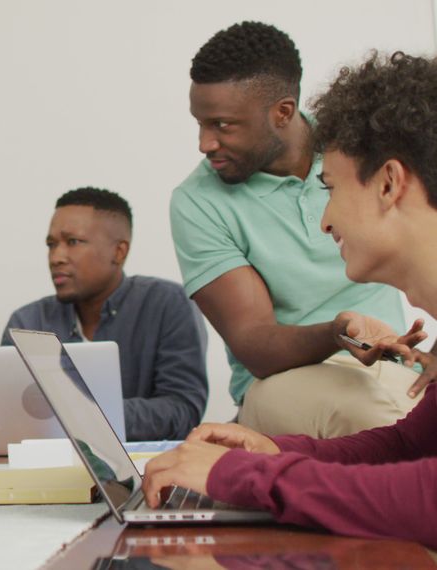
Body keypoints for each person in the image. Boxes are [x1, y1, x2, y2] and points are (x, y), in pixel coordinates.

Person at [144, 51, 437, 547]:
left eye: (332, 188)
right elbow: (410, 445)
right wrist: (270, 452)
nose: (325, 221)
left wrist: (244, 476)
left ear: (389, 184)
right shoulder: (197, 199)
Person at [169, 21, 427, 438]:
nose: (205, 143)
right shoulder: (197, 203)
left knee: (406, 408)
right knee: (378, 417)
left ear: (283, 112)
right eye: (200, 123)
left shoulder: (358, 151)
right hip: (281, 382)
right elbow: (255, 344)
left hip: (395, 369)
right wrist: (338, 332)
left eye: (222, 125)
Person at [2, 187, 208, 441]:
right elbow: (11, 415)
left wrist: (84, 415)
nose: (57, 257)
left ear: (118, 252)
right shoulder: (27, 322)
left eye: (73, 242)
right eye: (51, 244)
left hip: (144, 471)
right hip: (48, 467)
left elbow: (183, 411)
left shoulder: (167, 304)